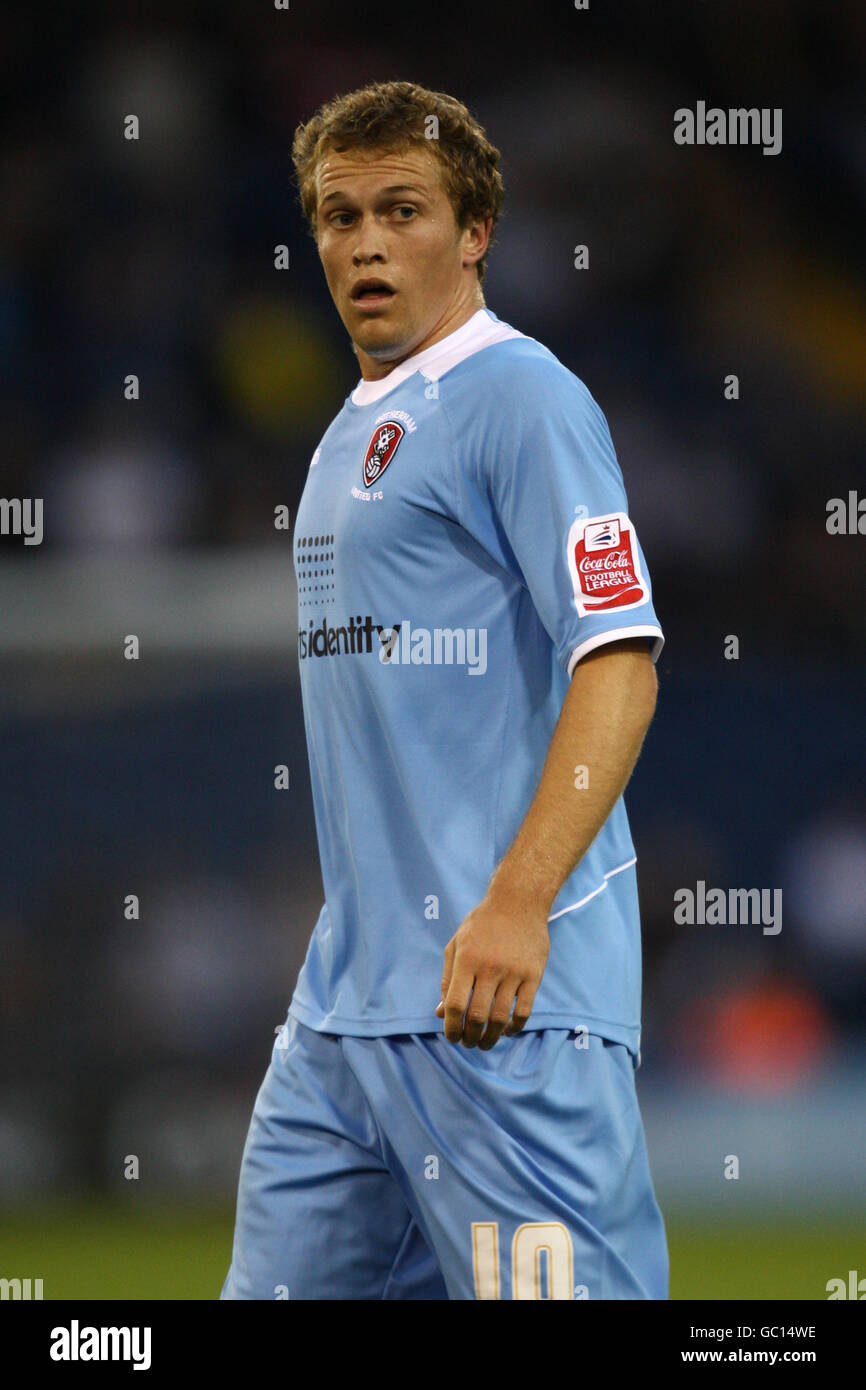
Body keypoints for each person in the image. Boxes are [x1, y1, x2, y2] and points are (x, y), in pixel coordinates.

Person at [221, 79, 668, 1301]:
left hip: (500, 1009)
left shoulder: (521, 399)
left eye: (402, 210)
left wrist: (519, 903)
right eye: (337, 214)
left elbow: (616, 661)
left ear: (473, 233)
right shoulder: (346, 429)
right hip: (343, 1022)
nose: (363, 243)